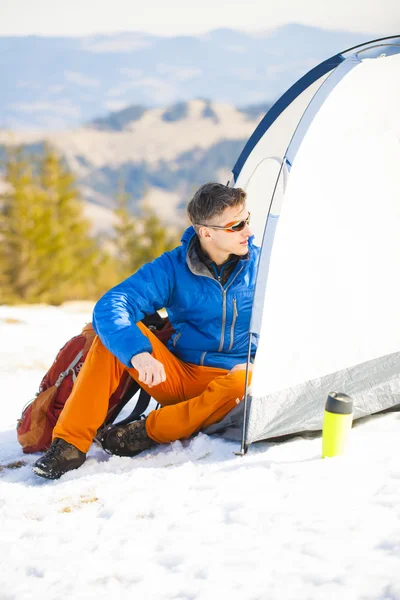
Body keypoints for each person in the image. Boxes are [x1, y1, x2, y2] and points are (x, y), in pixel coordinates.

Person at [32, 182, 259, 479]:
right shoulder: (172, 267)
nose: (248, 232)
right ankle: (69, 445)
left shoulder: (265, 265)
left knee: (246, 380)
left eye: (247, 220)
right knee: (110, 339)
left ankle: (145, 431)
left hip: (236, 381)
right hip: (180, 376)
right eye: (237, 225)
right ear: (207, 233)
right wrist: (137, 352)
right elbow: (112, 304)